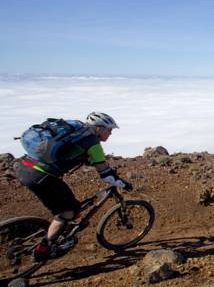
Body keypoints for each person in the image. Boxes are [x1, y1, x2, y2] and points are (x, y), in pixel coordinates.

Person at [15, 112, 131, 261]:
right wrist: (124, 184)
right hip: (41, 176)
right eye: (109, 130)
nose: (110, 133)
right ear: (99, 128)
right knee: (68, 213)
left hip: (24, 167)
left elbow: (73, 154)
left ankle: (62, 229)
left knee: (72, 206)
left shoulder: (76, 133)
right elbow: (106, 175)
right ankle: (43, 249)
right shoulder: (92, 143)